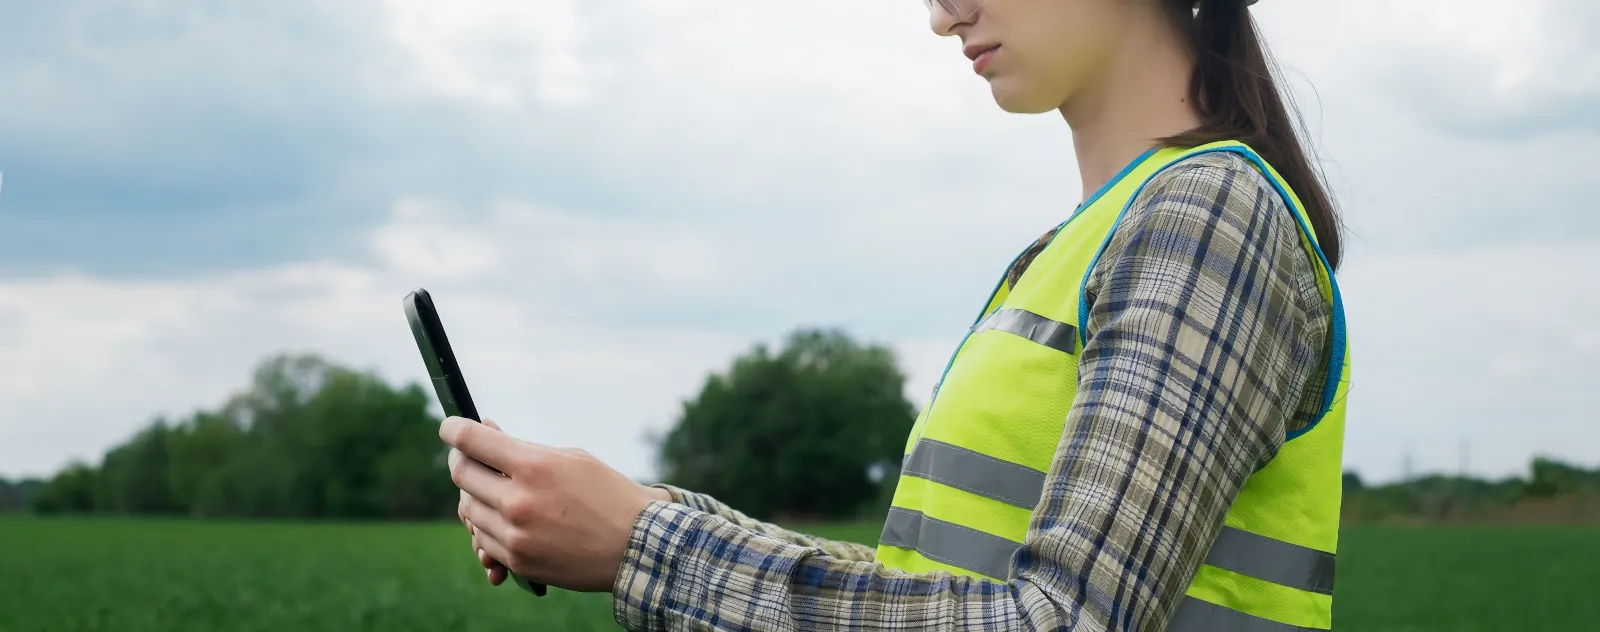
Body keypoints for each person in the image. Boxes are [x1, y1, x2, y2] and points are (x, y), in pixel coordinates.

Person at [439, 0, 1350, 629]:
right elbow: (936, 590)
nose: (940, 12)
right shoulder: (1096, 237)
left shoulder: (1207, 219)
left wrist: (646, 545)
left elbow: (1064, 619)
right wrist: (631, 515)